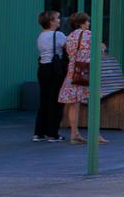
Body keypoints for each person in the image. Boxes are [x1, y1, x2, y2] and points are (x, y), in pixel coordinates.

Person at [58, 11, 103, 145]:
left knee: (74, 103)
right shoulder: (89, 34)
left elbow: (69, 53)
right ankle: (95, 134)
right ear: (82, 23)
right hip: (88, 72)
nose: (89, 23)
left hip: (73, 72)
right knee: (94, 102)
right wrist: (102, 47)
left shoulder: (70, 37)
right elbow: (98, 51)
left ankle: (74, 134)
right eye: (87, 21)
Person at [32, 10, 68, 142]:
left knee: (44, 100)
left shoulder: (41, 36)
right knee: (56, 101)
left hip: (43, 68)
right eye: (57, 18)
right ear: (51, 22)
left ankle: (39, 133)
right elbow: (69, 47)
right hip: (55, 69)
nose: (59, 20)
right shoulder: (58, 35)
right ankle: (53, 134)